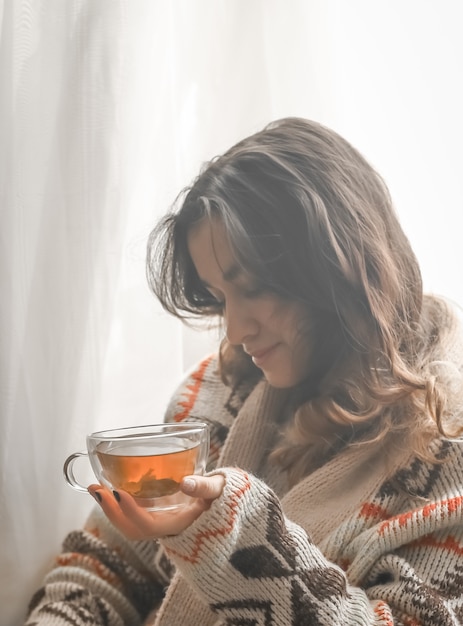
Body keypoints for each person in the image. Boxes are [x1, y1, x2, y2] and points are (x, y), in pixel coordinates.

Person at [25, 117, 463, 625]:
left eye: (252, 287)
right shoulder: (209, 396)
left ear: (338, 267)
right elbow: (103, 569)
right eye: (218, 298)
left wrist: (234, 531)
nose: (234, 330)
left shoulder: (445, 448)